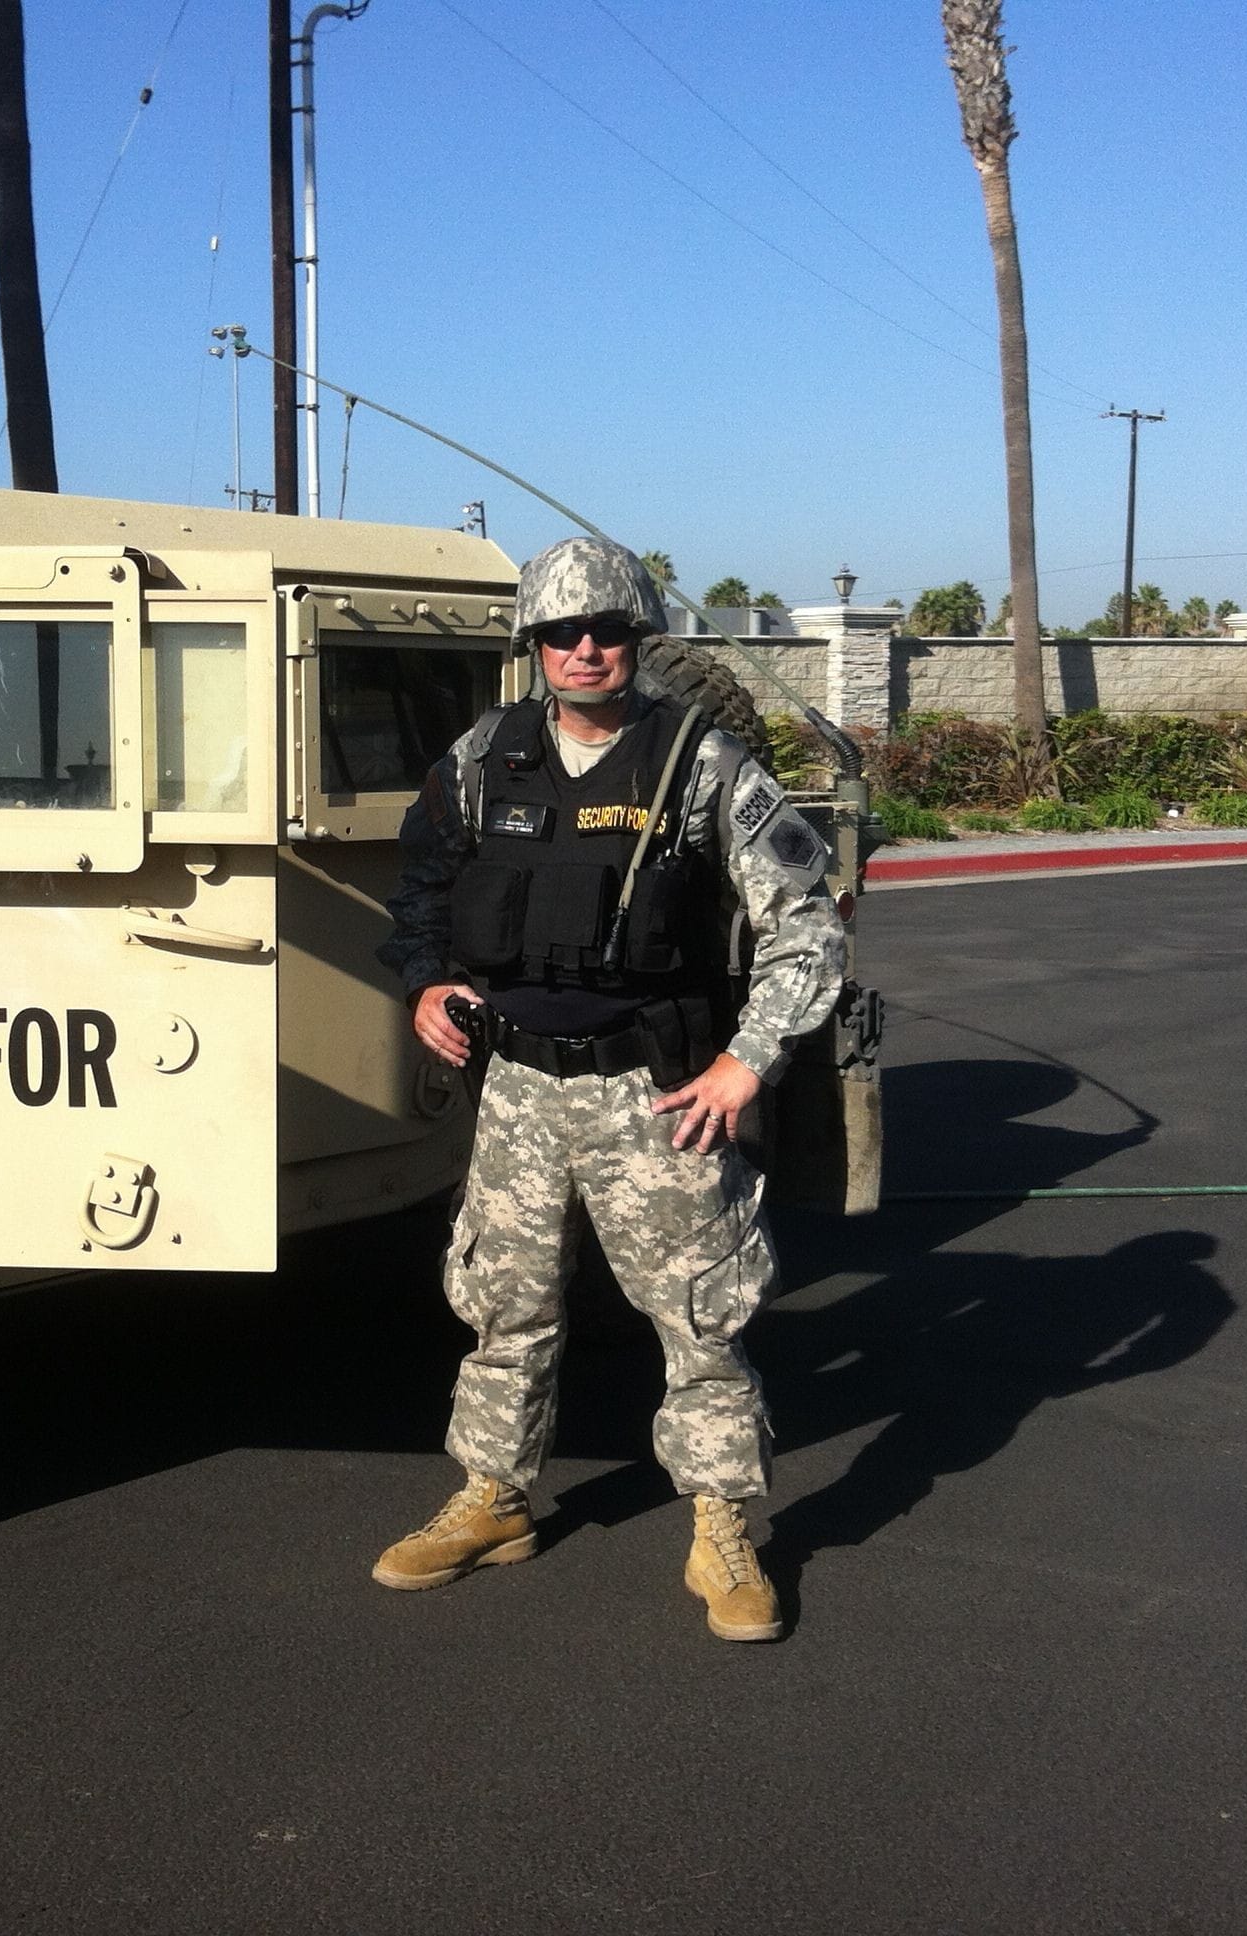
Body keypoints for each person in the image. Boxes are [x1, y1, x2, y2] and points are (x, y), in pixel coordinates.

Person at [370, 534, 845, 1642]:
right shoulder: (484, 758)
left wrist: (748, 1059)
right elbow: (420, 889)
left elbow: (807, 928)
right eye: (563, 633)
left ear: (639, 640)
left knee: (699, 1319)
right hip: (519, 1092)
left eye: (610, 631)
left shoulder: (703, 764)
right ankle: (494, 1496)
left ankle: (723, 1528)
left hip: (656, 1095)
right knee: (504, 1306)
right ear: (534, 645)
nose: (588, 650)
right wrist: (426, 982)